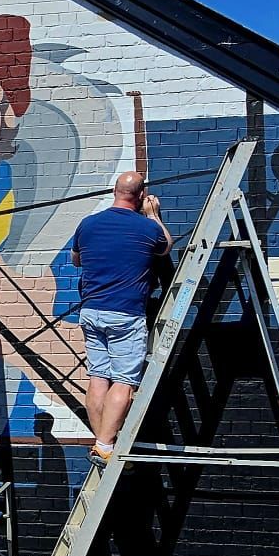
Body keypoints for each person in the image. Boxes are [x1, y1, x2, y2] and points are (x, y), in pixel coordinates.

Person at [70, 171, 172, 465]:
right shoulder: (147, 227)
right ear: (140, 196)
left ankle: (101, 442)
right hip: (125, 314)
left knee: (98, 377)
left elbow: (76, 260)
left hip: (91, 311)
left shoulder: (88, 224)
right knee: (124, 382)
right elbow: (166, 246)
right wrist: (153, 215)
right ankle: (104, 445)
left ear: (114, 191)